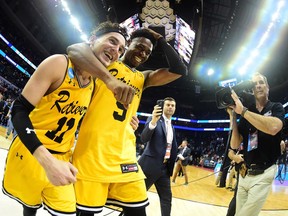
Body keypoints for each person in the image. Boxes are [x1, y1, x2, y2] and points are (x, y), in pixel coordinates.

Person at [2, 21, 132, 216]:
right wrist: (46, 160)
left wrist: (126, 122)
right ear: (92, 39)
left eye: (121, 49)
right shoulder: (59, 64)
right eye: (112, 41)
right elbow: (19, 110)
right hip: (31, 151)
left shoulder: (95, 83)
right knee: (30, 207)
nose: (116, 50)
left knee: (69, 211)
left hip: (62, 156)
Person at [68, 28, 187, 216]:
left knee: (138, 210)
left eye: (148, 52)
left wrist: (160, 39)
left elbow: (180, 70)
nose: (143, 53)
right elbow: (74, 50)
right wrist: (109, 80)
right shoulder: (104, 63)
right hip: (92, 153)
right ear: (127, 45)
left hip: (125, 156)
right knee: (86, 213)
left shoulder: (143, 78)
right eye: (139, 47)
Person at [227, 72, 285, 216]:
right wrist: (234, 116)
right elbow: (234, 144)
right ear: (252, 90)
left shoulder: (276, 107)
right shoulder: (248, 110)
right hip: (245, 172)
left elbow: (273, 128)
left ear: (268, 87)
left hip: (264, 172)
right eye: (254, 84)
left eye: (261, 82)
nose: (258, 86)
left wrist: (244, 112)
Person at [138, 97, 177, 216]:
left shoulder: (172, 126)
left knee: (167, 199)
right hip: (149, 167)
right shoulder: (154, 119)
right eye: (168, 105)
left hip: (164, 169)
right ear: (163, 107)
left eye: (173, 105)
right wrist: (153, 121)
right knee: (137, 197)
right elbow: (144, 138)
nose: (170, 107)